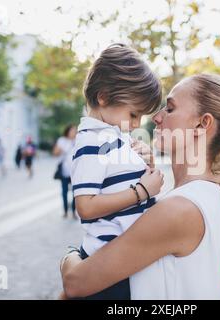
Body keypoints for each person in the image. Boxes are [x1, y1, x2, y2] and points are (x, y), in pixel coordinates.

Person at [60, 73, 220, 300]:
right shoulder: (206, 194)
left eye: (170, 109)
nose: (156, 117)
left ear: (202, 124)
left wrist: (70, 254)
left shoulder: (179, 210)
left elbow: (75, 283)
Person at [66, 43, 163, 299]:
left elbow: (119, 181)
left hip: (124, 259)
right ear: (104, 97)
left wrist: (147, 162)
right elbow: (86, 206)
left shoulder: (111, 137)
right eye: (134, 113)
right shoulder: (92, 141)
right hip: (107, 265)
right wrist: (141, 191)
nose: (137, 123)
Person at [53, 124, 78, 218]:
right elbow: (55, 153)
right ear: (68, 131)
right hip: (64, 171)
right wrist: (62, 149)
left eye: (75, 130)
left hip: (75, 171)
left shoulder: (78, 140)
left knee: (75, 193)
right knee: (64, 192)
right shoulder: (62, 140)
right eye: (72, 130)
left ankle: (74, 211)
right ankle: (65, 211)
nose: (74, 132)